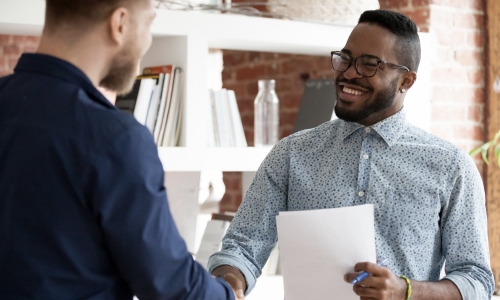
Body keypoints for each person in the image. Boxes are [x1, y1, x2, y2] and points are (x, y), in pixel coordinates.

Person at [208, 9, 494, 300]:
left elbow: (477, 280)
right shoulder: (291, 155)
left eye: (369, 64)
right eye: (345, 58)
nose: (348, 73)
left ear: (405, 82)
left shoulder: (451, 167)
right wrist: (231, 283)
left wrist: (404, 291)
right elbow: (240, 250)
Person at [0, 0, 244, 299]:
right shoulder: (113, 138)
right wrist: (227, 294)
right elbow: (171, 284)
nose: (148, 40)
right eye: (149, 23)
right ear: (119, 24)